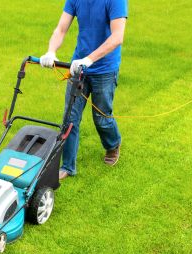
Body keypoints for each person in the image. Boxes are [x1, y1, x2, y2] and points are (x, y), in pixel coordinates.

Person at [39, 0, 128, 179]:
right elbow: (61, 29)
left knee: (102, 118)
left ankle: (113, 145)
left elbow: (117, 37)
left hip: (104, 69)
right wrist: (51, 51)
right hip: (78, 67)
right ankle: (67, 167)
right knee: (70, 118)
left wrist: (89, 59)